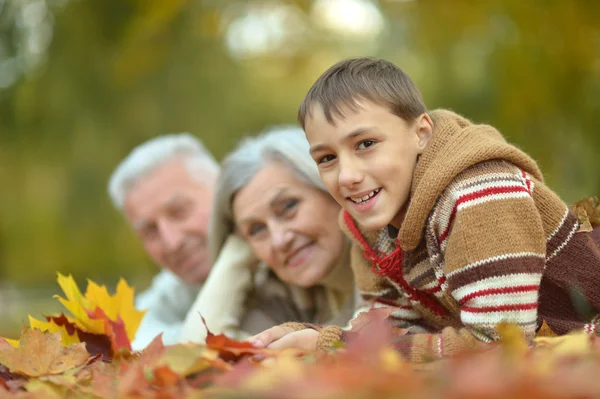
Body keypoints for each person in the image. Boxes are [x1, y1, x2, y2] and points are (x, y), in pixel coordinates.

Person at [250, 57, 600, 360]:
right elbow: (394, 332)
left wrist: (337, 349)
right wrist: (315, 341)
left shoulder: (480, 193)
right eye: (327, 158)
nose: (347, 176)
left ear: (421, 133)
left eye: (366, 144)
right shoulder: (370, 225)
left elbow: (501, 347)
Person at [179, 127, 356, 344]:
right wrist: (234, 260)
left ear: (331, 188)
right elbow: (197, 354)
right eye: (256, 229)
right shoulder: (286, 292)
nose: (280, 240)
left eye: (288, 206)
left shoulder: (395, 262)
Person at [108, 133, 219, 349]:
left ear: (223, 191)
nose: (172, 242)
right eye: (150, 231)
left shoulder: (286, 255)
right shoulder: (174, 291)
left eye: (179, 212)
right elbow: (133, 336)